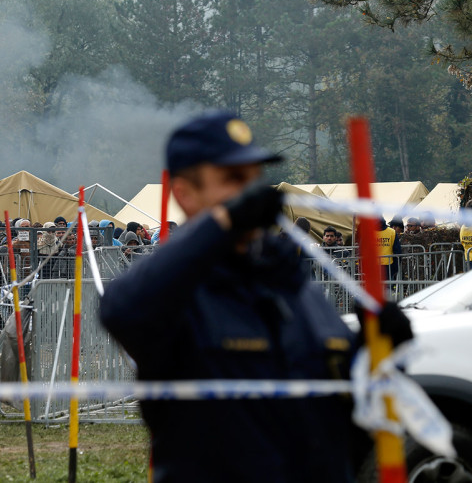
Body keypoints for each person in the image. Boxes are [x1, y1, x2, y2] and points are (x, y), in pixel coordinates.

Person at [98, 110, 412, 482]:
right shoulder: (179, 295)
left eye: (254, 177)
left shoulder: (295, 288)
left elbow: (346, 424)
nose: (252, 191)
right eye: (233, 179)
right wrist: (224, 223)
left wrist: (378, 358)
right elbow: (122, 309)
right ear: (185, 194)